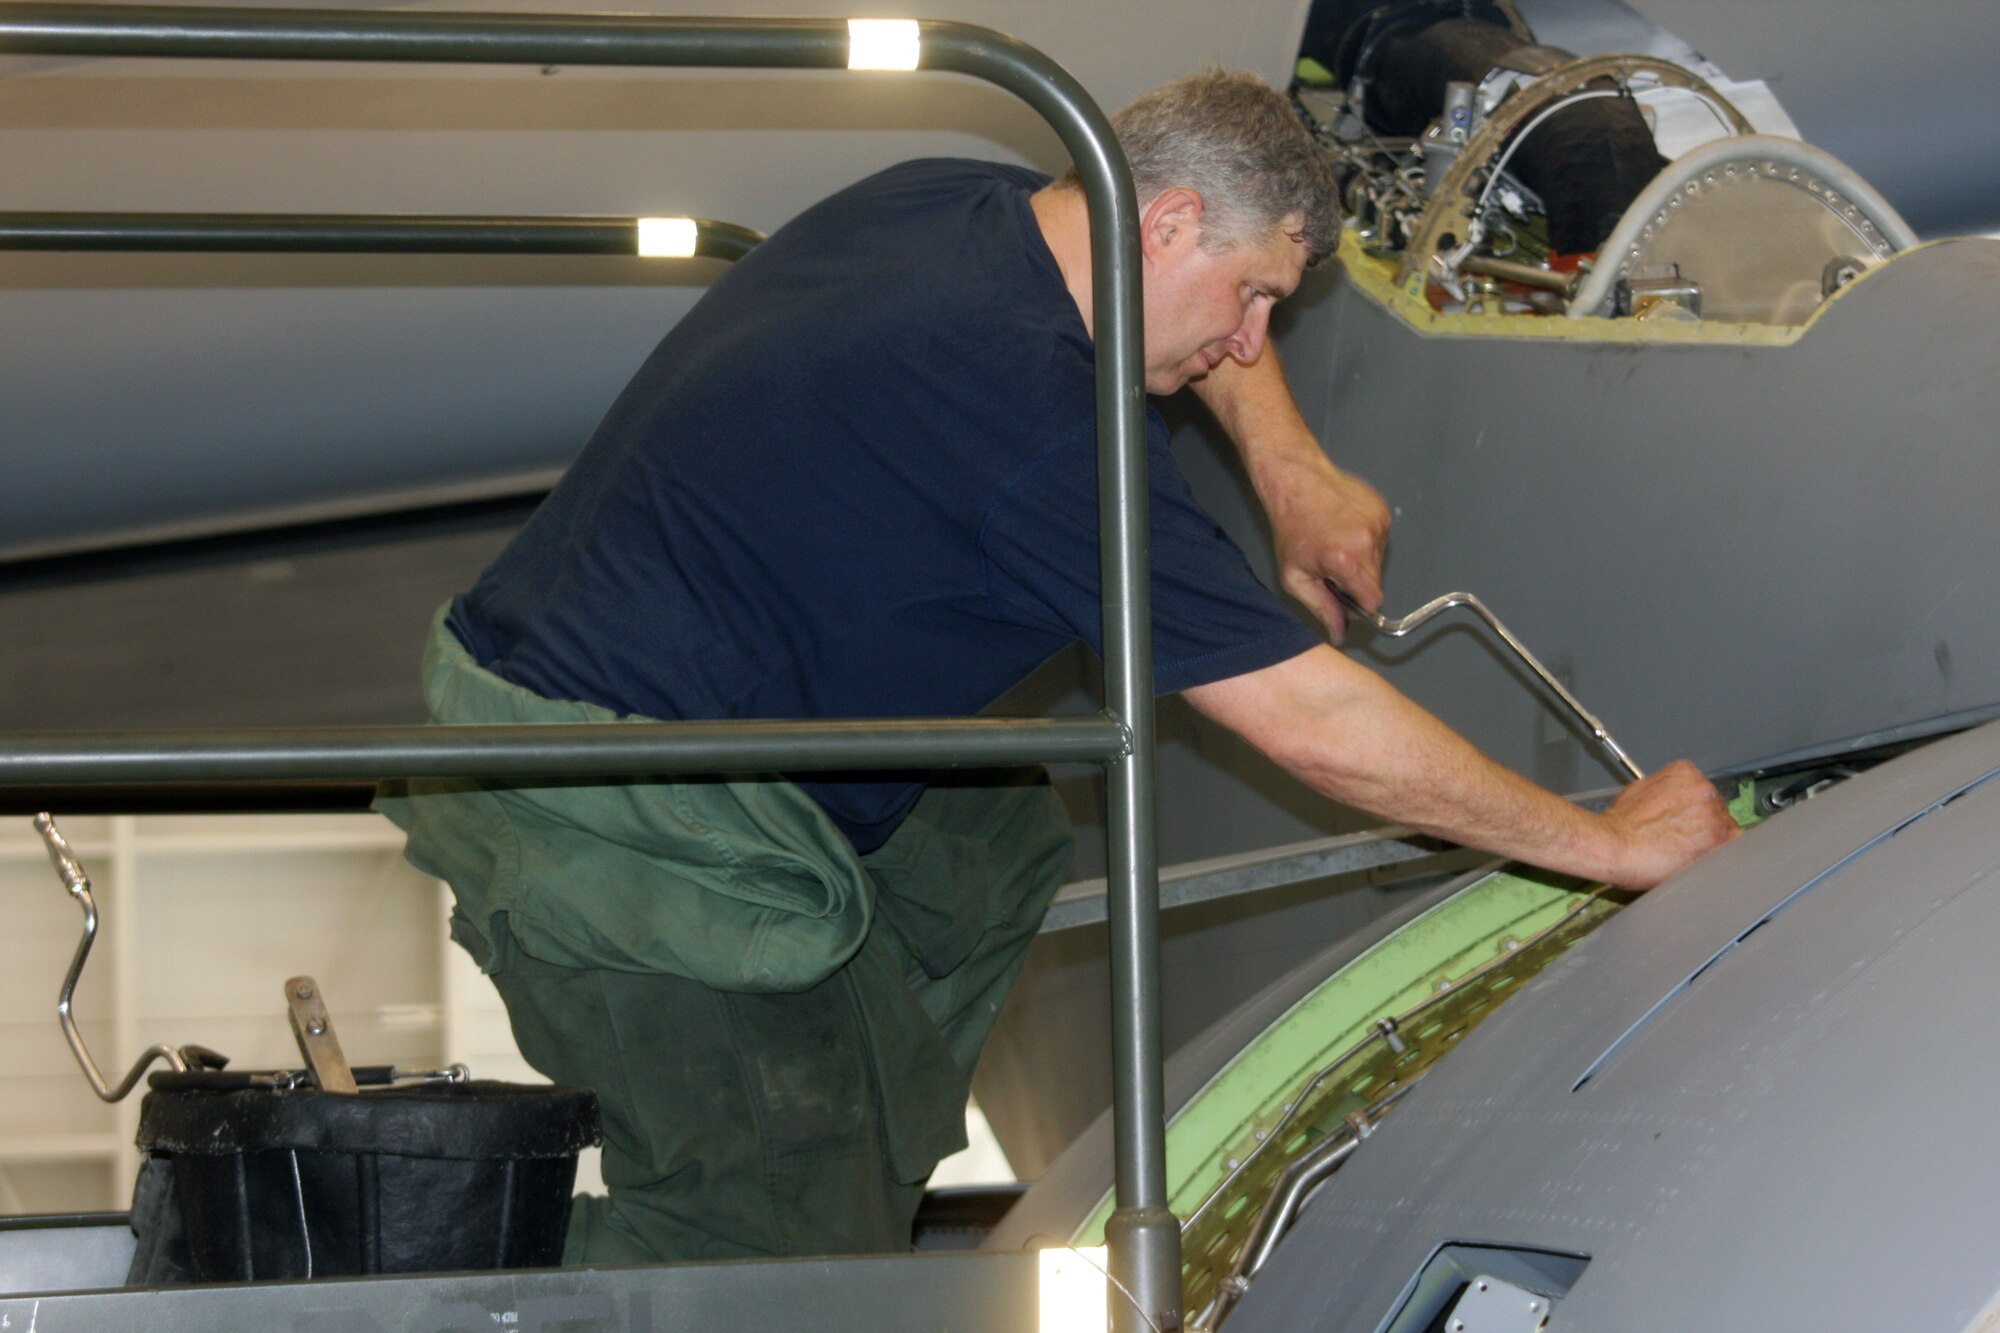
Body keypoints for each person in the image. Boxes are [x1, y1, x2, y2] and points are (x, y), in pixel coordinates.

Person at [380, 69, 1736, 1265]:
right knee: (758, 1247)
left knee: (990, 835)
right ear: (1169, 224)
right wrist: (1601, 843)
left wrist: (1288, 464)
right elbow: (1313, 724)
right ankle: (457, 1268)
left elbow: (1194, 318)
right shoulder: (1046, 428)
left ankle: (843, 1150)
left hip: (625, 688)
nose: (1252, 343)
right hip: (604, 795)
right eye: (1256, 297)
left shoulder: (977, 207)